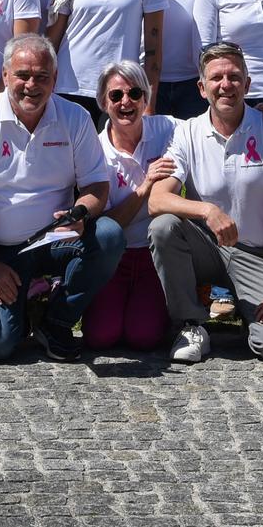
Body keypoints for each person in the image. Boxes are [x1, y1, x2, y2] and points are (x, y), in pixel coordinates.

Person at [146, 43, 263, 364]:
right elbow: (157, 199)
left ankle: (241, 308)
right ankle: (191, 324)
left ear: (248, 85)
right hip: (208, 248)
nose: (226, 85)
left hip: (261, 254)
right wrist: (207, 210)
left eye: (235, 77)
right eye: (216, 78)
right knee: (163, 227)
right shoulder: (188, 132)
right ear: (201, 88)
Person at [0, 35, 123, 361]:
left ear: (55, 79)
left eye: (42, 77)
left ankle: (55, 320)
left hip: (53, 238)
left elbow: (97, 188)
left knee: (108, 236)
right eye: (22, 75)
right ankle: (9, 300)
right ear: (5, 75)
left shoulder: (75, 118)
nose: (31, 85)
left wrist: (81, 212)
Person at [87, 60, 177, 352]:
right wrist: (145, 186)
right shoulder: (96, 150)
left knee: (144, 337)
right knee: (100, 337)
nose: (126, 102)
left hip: (154, 254)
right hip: (115, 256)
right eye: (116, 95)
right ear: (103, 102)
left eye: (135, 93)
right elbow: (108, 223)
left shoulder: (167, 128)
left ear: (146, 98)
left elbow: (213, 121)